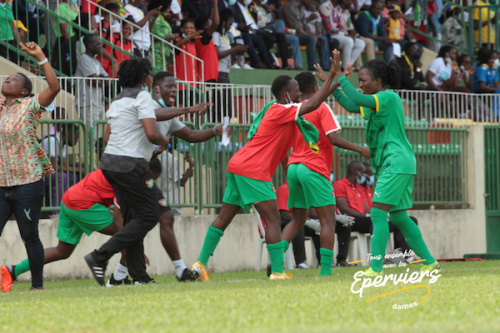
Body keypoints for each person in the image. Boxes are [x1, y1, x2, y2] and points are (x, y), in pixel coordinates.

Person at [190, 50, 340, 281]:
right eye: (295, 91)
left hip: (238, 164)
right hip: (253, 171)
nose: (299, 94)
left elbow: (281, 148)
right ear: (284, 94)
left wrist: (334, 80)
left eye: (300, 91)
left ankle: (199, 264)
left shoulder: (276, 111)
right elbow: (313, 103)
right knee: (272, 220)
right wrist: (330, 77)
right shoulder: (281, 110)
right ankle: (277, 272)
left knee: (223, 218)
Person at [330, 57, 441, 277]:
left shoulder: (387, 97)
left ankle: (375, 268)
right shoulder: (375, 102)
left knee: (378, 214)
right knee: (399, 217)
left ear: (378, 80)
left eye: (363, 80)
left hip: (395, 162)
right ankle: (429, 262)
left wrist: (341, 77)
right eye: (359, 80)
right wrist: (333, 85)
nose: (360, 84)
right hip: (397, 163)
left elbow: (353, 96)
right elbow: (352, 104)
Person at [83, 58, 171, 286]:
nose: (152, 78)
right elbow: (151, 133)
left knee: (133, 217)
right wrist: (165, 141)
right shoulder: (142, 97)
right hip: (131, 164)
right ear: (144, 77)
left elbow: (108, 135)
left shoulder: (117, 100)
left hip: (110, 164)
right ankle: (100, 256)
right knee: (150, 215)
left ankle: (139, 275)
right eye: (150, 74)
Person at [280, 70, 370, 276]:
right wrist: (361, 150)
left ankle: (276, 262)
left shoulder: (293, 109)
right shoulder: (322, 107)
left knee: (297, 220)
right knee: (328, 221)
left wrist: (336, 82)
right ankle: (327, 270)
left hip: (294, 167)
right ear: (315, 89)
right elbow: (334, 139)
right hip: (314, 167)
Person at [148, 71, 225, 281]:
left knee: (158, 217)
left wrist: (215, 130)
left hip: (142, 172)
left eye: (176, 86)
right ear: (156, 89)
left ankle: (177, 270)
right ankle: (107, 260)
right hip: (131, 168)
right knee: (139, 220)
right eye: (169, 86)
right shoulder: (147, 102)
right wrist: (189, 109)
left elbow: (190, 136)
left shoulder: (169, 114)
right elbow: (154, 114)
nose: (174, 89)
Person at [0, 169, 124, 291]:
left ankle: (12, 270)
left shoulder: (114, 166)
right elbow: (122, 229)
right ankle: (121, 276)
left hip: (70, 199)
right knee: (126, 233)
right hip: (83, 205)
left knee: (62, 251)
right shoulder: (126, 175)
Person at [0, 41, 61, 292]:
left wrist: (41, 58)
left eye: (14, 79)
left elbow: (55, 87)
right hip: (1, 183)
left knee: (29, 236)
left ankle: (37, 286)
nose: (8, 80)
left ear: (24, 92)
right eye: (7, 78)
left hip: (28, 182)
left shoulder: (30, 106)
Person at [212, 9, 248, 121]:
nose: (230, 27)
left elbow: (227, 58)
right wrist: (234, 49)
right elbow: (216, 55)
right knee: (219, 106)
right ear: (222, 22)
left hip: (226, 73)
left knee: (227, 107)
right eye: (229, 24)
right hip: (218, 74)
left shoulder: (225, 36)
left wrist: (237, 54)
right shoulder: (216, 35)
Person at [75, 34, 109, 143]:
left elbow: (108, 81)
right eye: (98, 43)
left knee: (97, 138)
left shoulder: (96, 61)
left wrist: (99, 79)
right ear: (89, 45)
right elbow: (94, 81)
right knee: (92, 137)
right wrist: (100, 79)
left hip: (97, 102)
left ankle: (95, 159)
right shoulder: (84, 58)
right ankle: (91, 159)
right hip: (86, 103)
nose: (100, 46)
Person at [42, 123, 84, 210]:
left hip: (49, 172)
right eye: (76, 137)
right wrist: (78, 169)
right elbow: (54, 167)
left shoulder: (62, 143)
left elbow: (64, 164)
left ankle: (72, 207)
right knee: (61, 176)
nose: (77, 140)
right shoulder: (53, 140)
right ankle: (57, 211)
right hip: (39, 174)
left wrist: (80, 166)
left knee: (73, 176)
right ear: (69, 135)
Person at [231, 0, 284, 69]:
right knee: (258, 38)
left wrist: (254, 11)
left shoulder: (248, 7)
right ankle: (259, 62)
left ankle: (269, 61)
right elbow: (235, 22)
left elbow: (254, 22)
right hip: (244, 31)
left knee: (272, 38)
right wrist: (240, 25)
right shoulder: (234, 7)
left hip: (256, 30)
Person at [281, 0, 331, 71]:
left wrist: (315, 36)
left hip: (300, 33)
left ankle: (325, 67)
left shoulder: (300, 7)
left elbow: (305, 27)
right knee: (311, 38)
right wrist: (313, 36)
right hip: (291, 33)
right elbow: (296, 28)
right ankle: (312, 66)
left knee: (322, 39)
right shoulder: (289, 6)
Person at [320, 0, 366, 67]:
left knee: (360, 43)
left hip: (337, 35)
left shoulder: (338, 8)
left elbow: (339, 25)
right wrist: (344, 35)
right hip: (327, 35)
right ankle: (345, 67)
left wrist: (345, 33)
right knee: (349, 41)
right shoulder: (325, 6)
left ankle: (348, 65)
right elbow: (328, 28)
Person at [194, 0, 220, 83]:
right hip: (207, 77)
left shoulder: (200, 37)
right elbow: (216, 23)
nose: (211, 23)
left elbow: (213, 20)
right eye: (209, 22)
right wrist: (215, 3)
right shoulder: (203, 36)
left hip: (208, 76)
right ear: (205, 26)